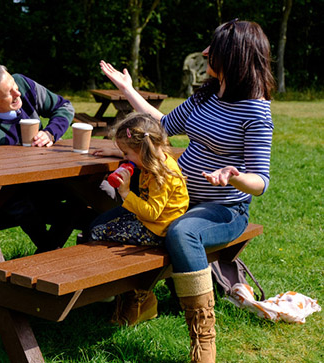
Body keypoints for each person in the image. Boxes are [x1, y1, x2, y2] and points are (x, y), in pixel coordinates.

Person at [99, 19, 274, 363]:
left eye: (214, 48)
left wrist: (234, 176)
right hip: (179, 200)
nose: (206, 52)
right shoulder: (206, 96)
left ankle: (203, 338)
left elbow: (261, 182)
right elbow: (162, 125)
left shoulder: (256, 110)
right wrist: (127, 90)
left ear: (235, 57)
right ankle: (141, 298)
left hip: (224, 211)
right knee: (103, 225)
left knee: (181, 233)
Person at [0, 62, 79, 252]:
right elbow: (4, 186)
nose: (17, 94)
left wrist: (50, 133)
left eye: (14, 87)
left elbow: (64, 107)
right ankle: (49, 251)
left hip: (47, 176)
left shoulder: (22, 84)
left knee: (82, 191)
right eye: (9, 93)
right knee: (24, 205)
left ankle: (51, 252)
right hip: (11, 192)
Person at [89, 112, 189, 326]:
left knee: (96, 232)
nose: (125, 158)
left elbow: (152, 212)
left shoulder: (161, 174)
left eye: (126, 153)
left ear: (142, 151)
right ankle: (115, 288)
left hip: (157, 229)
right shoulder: (154, 161)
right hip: (154, 222)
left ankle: (127, 291)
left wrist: (125, 192)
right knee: (97, 224)